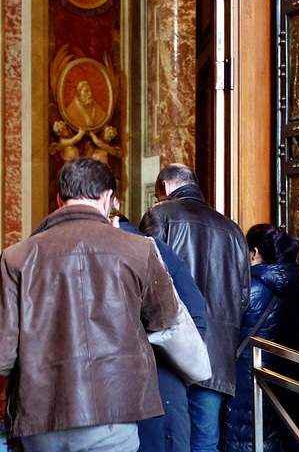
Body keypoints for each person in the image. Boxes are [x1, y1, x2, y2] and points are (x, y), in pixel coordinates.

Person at [0, 157, 179, 452]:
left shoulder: (16, 257)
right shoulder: (138, 250)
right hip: (114, 410)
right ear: (108, 197)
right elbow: (165, 317)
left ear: (59, 199)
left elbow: (4, 356)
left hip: (42, 415)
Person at [140, 163, 251, 452]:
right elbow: (243, 297)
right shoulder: (234, 230)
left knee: (165, 441)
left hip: (169, 350)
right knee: (204, 443)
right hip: (216, 353)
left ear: (163, 187)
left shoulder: (160, 215)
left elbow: (145, 279)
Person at [111, 201, 207, 452]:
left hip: (113, 391)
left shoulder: (97, 252)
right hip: (163, 383)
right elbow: (196, 313)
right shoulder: (159, 250)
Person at [222, 224, 299, 452]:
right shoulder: (296, 285)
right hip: (284, 377)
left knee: (248, 438)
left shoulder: (250, 287)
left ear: (254, 252)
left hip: (246, 380)